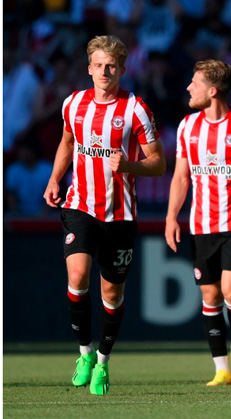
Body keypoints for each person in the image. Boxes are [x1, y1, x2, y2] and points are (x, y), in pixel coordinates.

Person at [43, 35, 166, 395]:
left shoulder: (136, 109)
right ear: (89, 68)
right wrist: (54, 179)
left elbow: (158, 164)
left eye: (111, 66)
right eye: (98, 65)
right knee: (77, 275)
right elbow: (67, 143)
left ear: (122, 70)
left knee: (111, 292)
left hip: (119, 214)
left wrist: (128, 164)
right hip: (79, 205)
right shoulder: (73, 104)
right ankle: (84, 353)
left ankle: (103, 363)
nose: (104, 71)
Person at [165, 59, 231, 387]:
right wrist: (172, 216)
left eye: (194, 83)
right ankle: (221, 368)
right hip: (201, 226)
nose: (188, 88)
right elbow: (181, 176)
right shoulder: (187, 127)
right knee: (210, 296)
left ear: (212, 91)